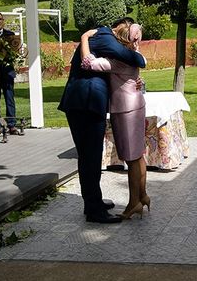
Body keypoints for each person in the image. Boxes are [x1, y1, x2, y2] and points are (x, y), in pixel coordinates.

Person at [58, 18, 146, 224]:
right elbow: (132, 58)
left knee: (92, 156)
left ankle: (94, 201)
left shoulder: (101, 37)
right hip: (85, 103)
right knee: (90, 157)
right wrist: (83, 36)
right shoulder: (105, 36)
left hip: (88, 102)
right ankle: (93, 210)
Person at [80, 23, 150, 220]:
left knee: (131, 157)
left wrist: (85, 38)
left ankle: (133, 203)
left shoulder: (117, 61)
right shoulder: (136, 55)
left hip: (125, 109)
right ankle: (143, 195)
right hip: (136, 104)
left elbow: (87, 63)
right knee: (138, 155)